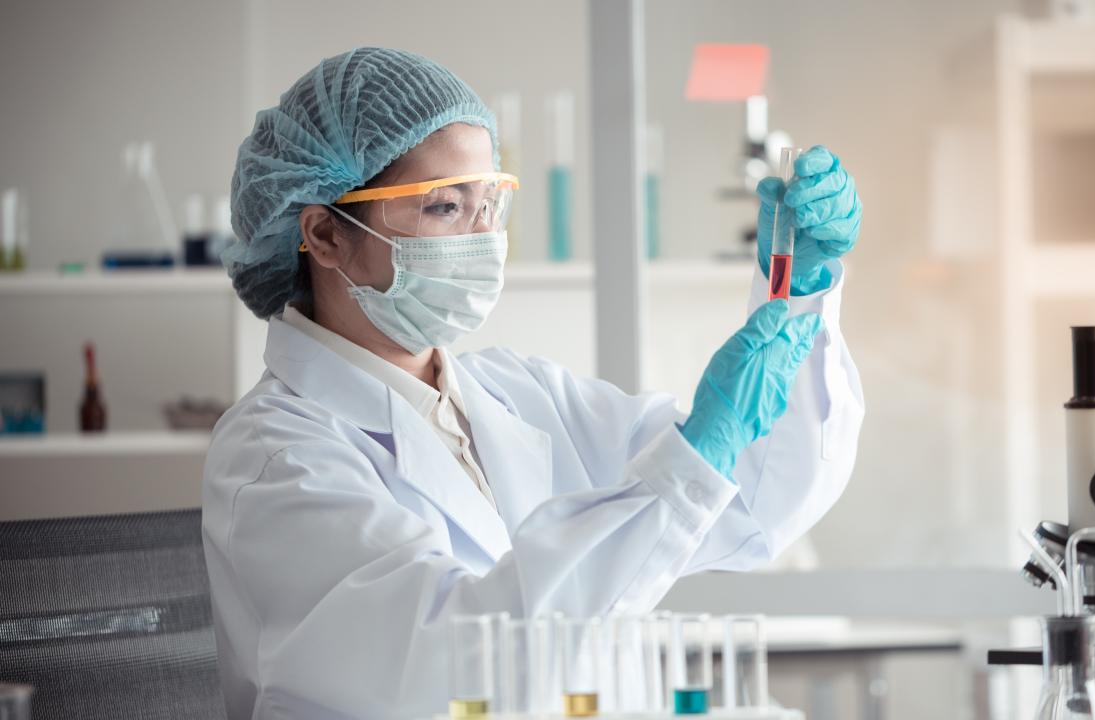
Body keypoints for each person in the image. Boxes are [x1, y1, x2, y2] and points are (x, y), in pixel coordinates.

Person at [203, 47, 864, 720]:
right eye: (444, 207)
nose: (484, 236)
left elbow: (755, 505)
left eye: (489, 203)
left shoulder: (517, 393)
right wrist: (692, 459)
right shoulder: (274, 456)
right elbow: (453, 669)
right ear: (325, 234)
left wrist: (800, 298)